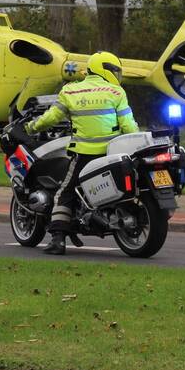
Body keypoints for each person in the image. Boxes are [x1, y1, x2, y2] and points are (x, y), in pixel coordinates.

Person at [26, 51, 139, 255]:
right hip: (112, 153)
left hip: (84, 155)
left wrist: (31, 127)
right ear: (104, 70)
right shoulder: (116, 92)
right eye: (115, 70)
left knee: (64, 192)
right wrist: (137, 140)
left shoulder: (71, 92)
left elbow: (51, 118)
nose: (117, 74)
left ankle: (58, 239)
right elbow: (128, 125)